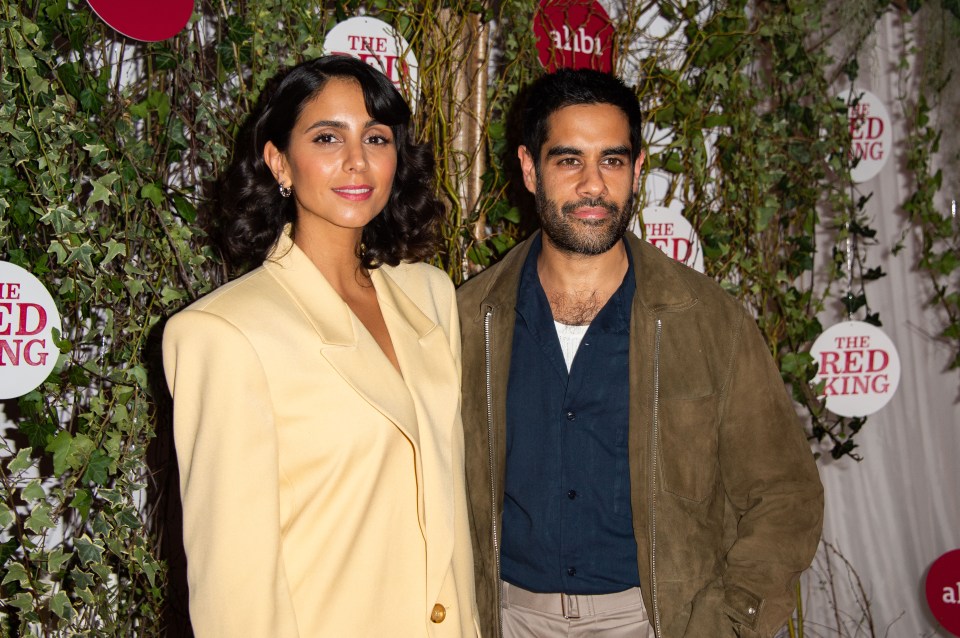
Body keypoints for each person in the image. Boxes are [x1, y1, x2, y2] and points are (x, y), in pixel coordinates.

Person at [457, 68, 824, 637]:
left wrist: (730, 620)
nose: (593, 186)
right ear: (530, 169)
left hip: (658, 620)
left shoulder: (710, 322)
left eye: (612, 160)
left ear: (636, 169)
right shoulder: (466, 319)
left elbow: (784, 494)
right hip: (508, 617)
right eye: (569, 159)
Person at [162, 55, 479, 637]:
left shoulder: (429, 296)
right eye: (327, 137)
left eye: (376, 138)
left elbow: (450, 518)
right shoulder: (224, 333)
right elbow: (235, 595)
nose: (356, 161)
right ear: (278, 161)